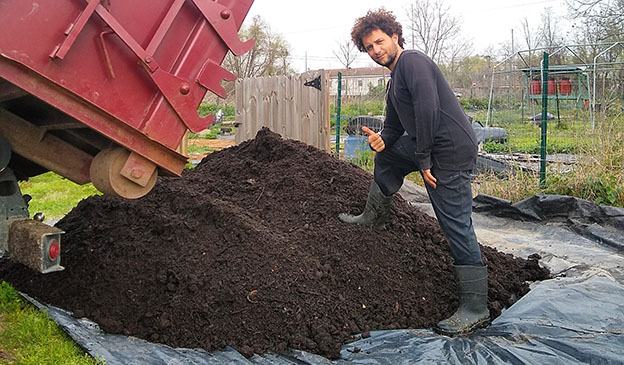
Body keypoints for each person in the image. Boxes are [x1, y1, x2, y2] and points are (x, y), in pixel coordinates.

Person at [339, 8, 489, 336]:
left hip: (448, 152)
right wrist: (383, 139)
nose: (375, 50)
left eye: (379, 41)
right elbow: (394, 126)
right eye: (368, 47)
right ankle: (374, 216)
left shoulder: (413, 63)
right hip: (430, 147)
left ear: (394, 37)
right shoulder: (396, 81)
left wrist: (423, 160)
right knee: (389, 155)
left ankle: (476, 307)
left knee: (455, 225)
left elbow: (428, 109)